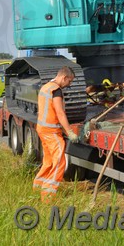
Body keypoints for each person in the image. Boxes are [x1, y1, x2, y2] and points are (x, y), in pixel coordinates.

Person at [32, 66, 79, 203]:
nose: (69, 85)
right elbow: (60, 113)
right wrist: (69, 131)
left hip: (42, 129)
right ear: (64, 77)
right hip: (51, 131)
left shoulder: (46, 87)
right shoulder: (56, 91)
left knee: (48, 161)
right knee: (59, 162)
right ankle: (47, 197)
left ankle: (38, 188)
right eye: (69, 82)